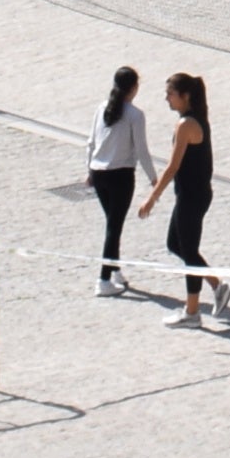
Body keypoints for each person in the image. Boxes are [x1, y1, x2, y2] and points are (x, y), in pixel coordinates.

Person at [134, 71, 218, 323]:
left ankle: (192, 312)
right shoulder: (194, 120)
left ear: (185, 96)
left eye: (170, 94)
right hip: (192, 194)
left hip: (192, 195)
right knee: (175, 244)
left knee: (189, 251)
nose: (166, 99)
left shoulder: (186, 125)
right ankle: (217, 283)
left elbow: (173, 166)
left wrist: (152, 197)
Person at [87, 65, 150, 293]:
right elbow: (142, 150)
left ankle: (115, 270)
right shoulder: (135, 115)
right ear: (134, 88)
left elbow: (91, 142)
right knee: (114, 228)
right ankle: (103, 280)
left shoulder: (101, 108)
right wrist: (154, 178)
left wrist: (89, 171)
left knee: (113, 224)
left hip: (98, 172)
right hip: (121, 176)